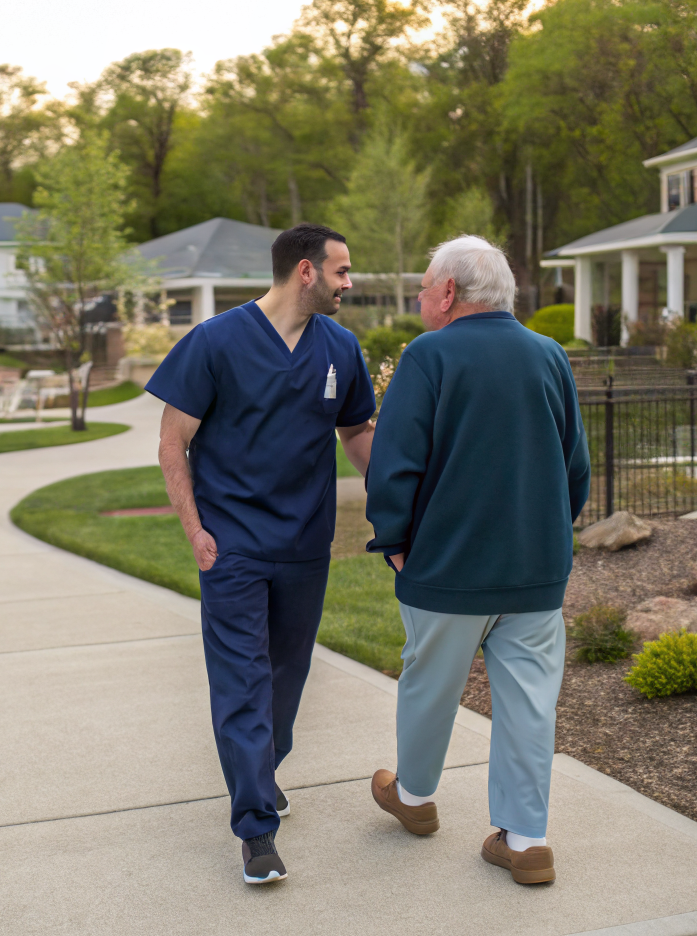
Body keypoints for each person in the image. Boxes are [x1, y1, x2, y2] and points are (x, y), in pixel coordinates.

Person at [148, 223, 376, 885]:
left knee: (285, 676)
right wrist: (194, 530)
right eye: (341, 271)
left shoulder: (340, 346)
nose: (348, 283)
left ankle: (262, 768)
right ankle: (255, 830)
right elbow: (173, 442)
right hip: (233, 547)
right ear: (305, 272)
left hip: (305, 545)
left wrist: (396, 494)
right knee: (242, 682)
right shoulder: (215, 341)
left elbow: (356, 430)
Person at [364, 235, 589, 885]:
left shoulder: (428, 355)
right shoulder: (549, 355)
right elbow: (574, 465)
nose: (418, 296)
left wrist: (395, 542)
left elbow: (395, 462)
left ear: (447, 293)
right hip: (535, 570)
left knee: (428, 686)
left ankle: (412, 798)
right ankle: (525, 842)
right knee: (528, 705)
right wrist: (549, 534)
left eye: (424, 284)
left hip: (446, 567)